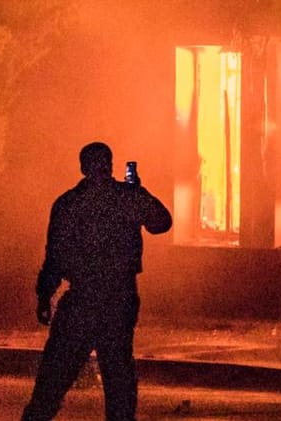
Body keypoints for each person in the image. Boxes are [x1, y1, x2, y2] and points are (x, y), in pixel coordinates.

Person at [20, 141, 173, 421]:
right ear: (110, 165)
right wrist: (138, 192)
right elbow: (161, 223)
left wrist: (45, 295)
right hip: (118, 297)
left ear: (83, 168)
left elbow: (55, 255)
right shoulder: (125, 198)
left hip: (84, 297)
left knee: (55, 375)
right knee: (118, 377)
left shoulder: (69, 203)